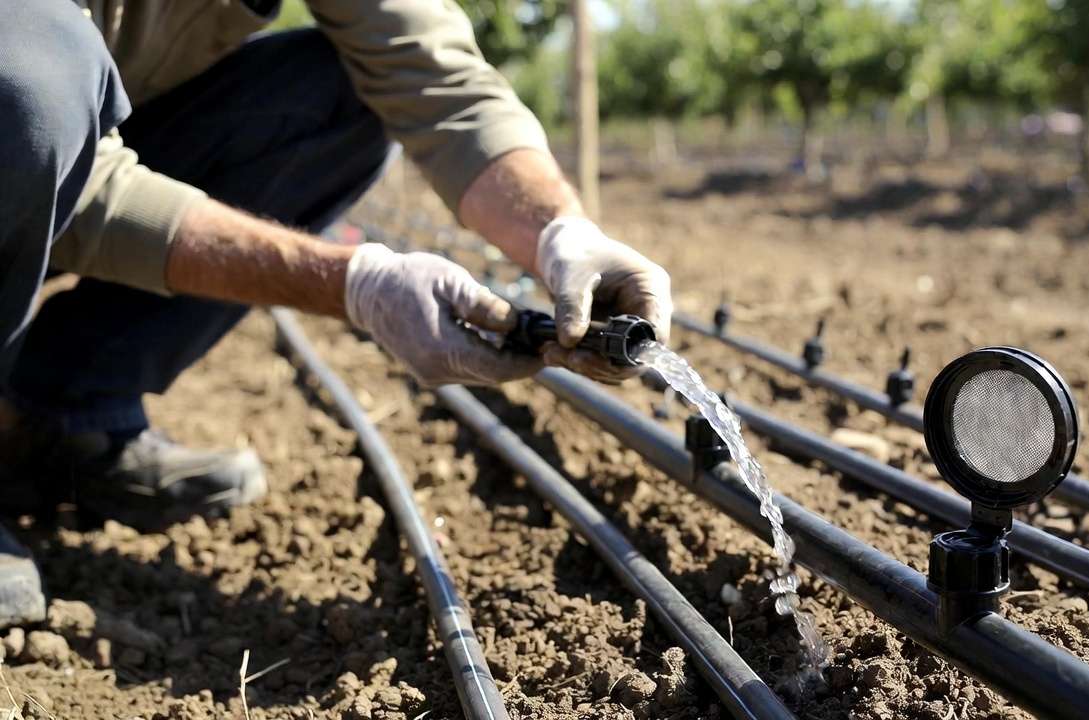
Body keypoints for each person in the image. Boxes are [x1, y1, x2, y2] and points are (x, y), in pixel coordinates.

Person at [0, 0, 672, 625]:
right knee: (33, 76)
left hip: (69, 119)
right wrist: (349, 284)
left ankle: (61, 416)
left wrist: (563, 234)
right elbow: (57, 159)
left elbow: (434, 75)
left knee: (333, 93)